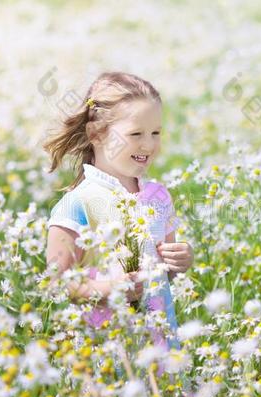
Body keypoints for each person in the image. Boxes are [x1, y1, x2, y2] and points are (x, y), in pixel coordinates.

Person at [43, 71, 194, 355]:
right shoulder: (77, 203)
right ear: (96, 134)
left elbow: (164, 274)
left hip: (159, 340)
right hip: (105, 346)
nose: (148, 145)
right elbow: (56, 284)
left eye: (155, 133)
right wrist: (108, 290)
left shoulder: (158, 196)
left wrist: (180, 260)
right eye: (135, 134)